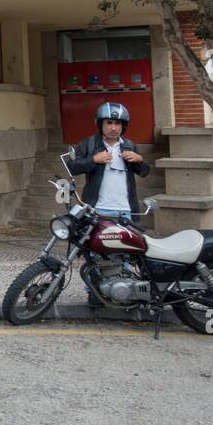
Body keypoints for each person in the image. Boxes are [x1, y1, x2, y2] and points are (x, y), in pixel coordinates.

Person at [66, 101, 150, 303]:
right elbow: (73, 167)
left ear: (123, 126)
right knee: (95, 254)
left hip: (124, 210)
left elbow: (145, 172)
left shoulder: (129, 146)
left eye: (118, 124)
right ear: (101, 124)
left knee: (126, 254)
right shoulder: (89, 144)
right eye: (109, 123)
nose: (113, 127)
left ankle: (125, 292)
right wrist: (93, 160)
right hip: (97, 209)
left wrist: (139, 160)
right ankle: (94, 293)